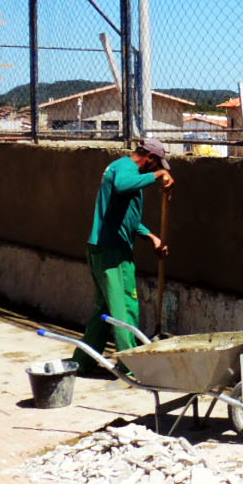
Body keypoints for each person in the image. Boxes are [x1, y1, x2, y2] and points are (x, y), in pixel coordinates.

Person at [79, 137, 173, 372]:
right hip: (113, 253)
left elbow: (129, 219)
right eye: (157, 164)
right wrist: (157, 176)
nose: (158, 168)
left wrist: (151, 237)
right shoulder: (125, 169)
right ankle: (130, 366)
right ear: (149, 158)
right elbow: (123, 184)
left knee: (104, 309)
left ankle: (82, 362)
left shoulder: (124, 171)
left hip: (104, 248)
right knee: (124, 308)